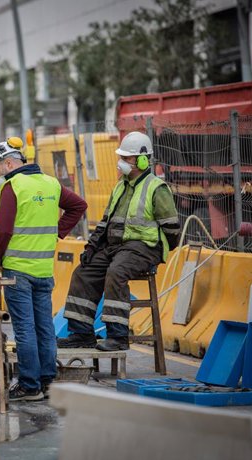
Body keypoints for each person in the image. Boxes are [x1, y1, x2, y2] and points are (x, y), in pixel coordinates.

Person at [58, 131, 180, 351]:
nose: (121, 162)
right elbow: (105, 222)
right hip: (117, 247)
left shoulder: (156, 188)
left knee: (116, 272)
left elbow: (172, 229)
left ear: (143, 160)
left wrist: (157, 251)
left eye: (126, 158)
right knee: (83, 273)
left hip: (144, 248)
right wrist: (92, 246)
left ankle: (117, 337)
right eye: (121, 157)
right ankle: (82, 334)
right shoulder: (120, 186)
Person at [0, 137, 88, 401]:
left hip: (17, 270)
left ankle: (29, 385)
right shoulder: (51, 183)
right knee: (44, 326)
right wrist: (57, 233)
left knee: (24, 328)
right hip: (44, 269)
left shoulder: (13, 186)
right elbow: (79, 206)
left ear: (8, 163)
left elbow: (4, 231)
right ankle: (47, 383)